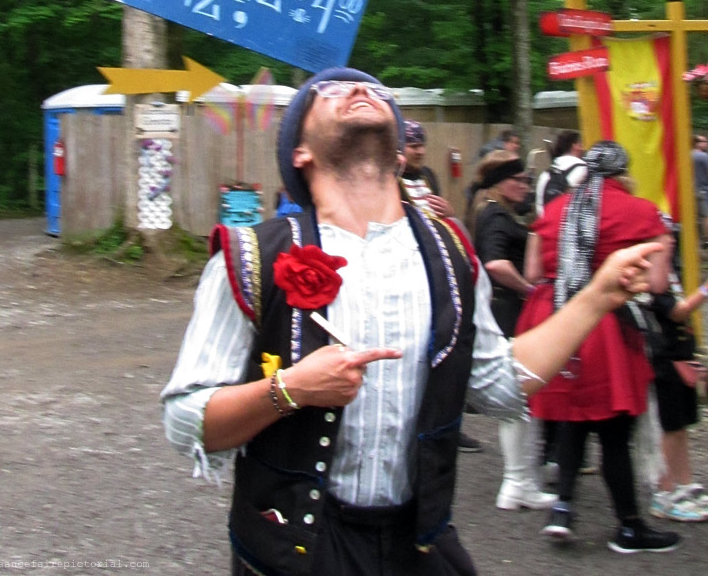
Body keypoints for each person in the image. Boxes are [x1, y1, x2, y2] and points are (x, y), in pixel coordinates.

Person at [162, 70, 667, 575]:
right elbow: (187, 421)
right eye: (331, 92)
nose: (361, 90)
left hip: (418, 546)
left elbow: (498, 386)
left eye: (378, 91)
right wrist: (290, 389)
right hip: (294, 551)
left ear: (400, 154)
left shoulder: (453, 256)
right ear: (300, 152)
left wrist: (598, 296)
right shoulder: (250, 257)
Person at [516, 141, 678, 554]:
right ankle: (629, 526)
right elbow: (658, 285)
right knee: (613, 431)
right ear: (623, 172)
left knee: (574, 416)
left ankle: (563, 510)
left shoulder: (552, 210)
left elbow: (534, 272)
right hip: (605, 327)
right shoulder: (643, 212)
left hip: (553, 320)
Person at [468, 150, 555, 510]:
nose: (525, 186)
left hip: (505, 309)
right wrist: (529, 289)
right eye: (518, 180)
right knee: (518, 397)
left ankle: (522, 478)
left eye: (526, 180)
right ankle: (517, 482)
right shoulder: (496, 216)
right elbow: (495, 263)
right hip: (507, 312)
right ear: (500, 183)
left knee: (521, 397)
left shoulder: (493, 213)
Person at [399, 119, 482, 453]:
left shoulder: (429, 176)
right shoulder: (390, 179)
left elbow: (439, 215)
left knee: (448, 347)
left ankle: (450, 423)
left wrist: (448, 214)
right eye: (412, 145)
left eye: (421, 145)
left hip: (438, 267)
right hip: (409, 269)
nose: (418, 151)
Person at [646, 225, 708, 522]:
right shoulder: (652, 279)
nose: (670, 242)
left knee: (682, 427)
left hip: (681, 358)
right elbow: (677, 312)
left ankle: (685, 482)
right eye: (664, 237)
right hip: (665, 360)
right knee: (670, 429)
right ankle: (664, 490)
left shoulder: (671, 275)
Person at [534, 130, 587, 216]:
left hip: (547, 224)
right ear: (575, 146)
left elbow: (539, 205)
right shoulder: (583, 169)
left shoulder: (546, 174)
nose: (583, 148)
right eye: (581, 144)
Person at [691, 134, 708, 244]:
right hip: (703, 190)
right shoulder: (703, 156)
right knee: (706, 216)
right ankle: (706, 240)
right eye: (703, 141)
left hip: (689, 191)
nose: (706, 144)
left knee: (693, 217)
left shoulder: (684, 155)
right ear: (697, 143)